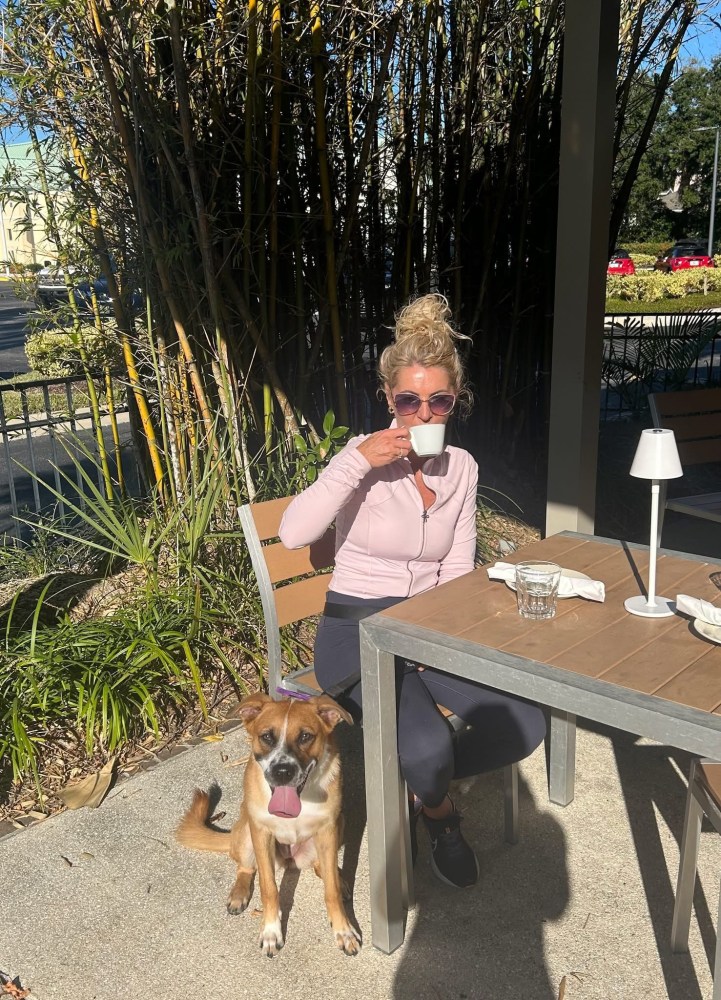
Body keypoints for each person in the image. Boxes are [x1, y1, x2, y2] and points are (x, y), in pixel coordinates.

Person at [279, 293, 546, 889]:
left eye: (438, 402)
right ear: (389, 400)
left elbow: (456, 566)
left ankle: (417, 776)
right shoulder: (359, 461)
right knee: (425, 744)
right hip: (356, 636)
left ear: (454, 403)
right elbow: (296, 532)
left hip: (427, 628)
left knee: (526, 722)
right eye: (408, 401)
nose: (422, 415)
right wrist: (357, 460)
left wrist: (441, 637)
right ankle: (440, 812)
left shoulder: (463, 469)